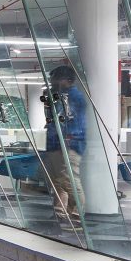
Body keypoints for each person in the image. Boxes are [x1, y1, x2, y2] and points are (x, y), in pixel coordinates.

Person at [40, 65, 86, 224]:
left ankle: (77, 215)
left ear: (67, 80)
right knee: (57, 181)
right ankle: (60, 213)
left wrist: (68, 139)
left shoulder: (74, 97)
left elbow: (72, 121)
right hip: (54, 143)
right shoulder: (58, 96)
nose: (52, 82)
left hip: (67, 144)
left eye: (55, 79)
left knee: (70, 181)